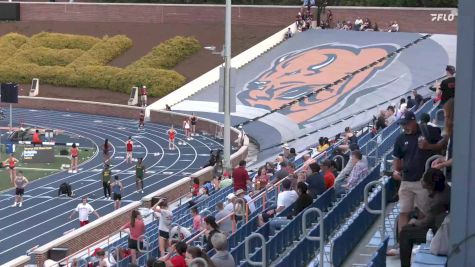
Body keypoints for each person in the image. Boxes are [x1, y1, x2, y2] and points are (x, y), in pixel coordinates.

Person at [389, 111, 442, 255]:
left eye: (406, 123)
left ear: (414, 121)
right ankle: (402, 245)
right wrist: (396, 170)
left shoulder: (428, 131)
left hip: (423, 182)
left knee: (425, 213)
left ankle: (423, 242)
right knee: (403, 212)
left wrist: (429, 148)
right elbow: (396, 158)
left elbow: (442, 146)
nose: (404, 127)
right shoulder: (400, 139)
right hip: (406, 181)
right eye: (402, 124)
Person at [399, 169, 450, 267]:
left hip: (440, 234)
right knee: (406, 229)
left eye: (423, 179)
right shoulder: (444, 187)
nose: (421, 180)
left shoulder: (439, 201)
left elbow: (425, 223)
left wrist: (414, 221)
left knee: (405, 234)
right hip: (440, 226)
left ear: (430, 185)